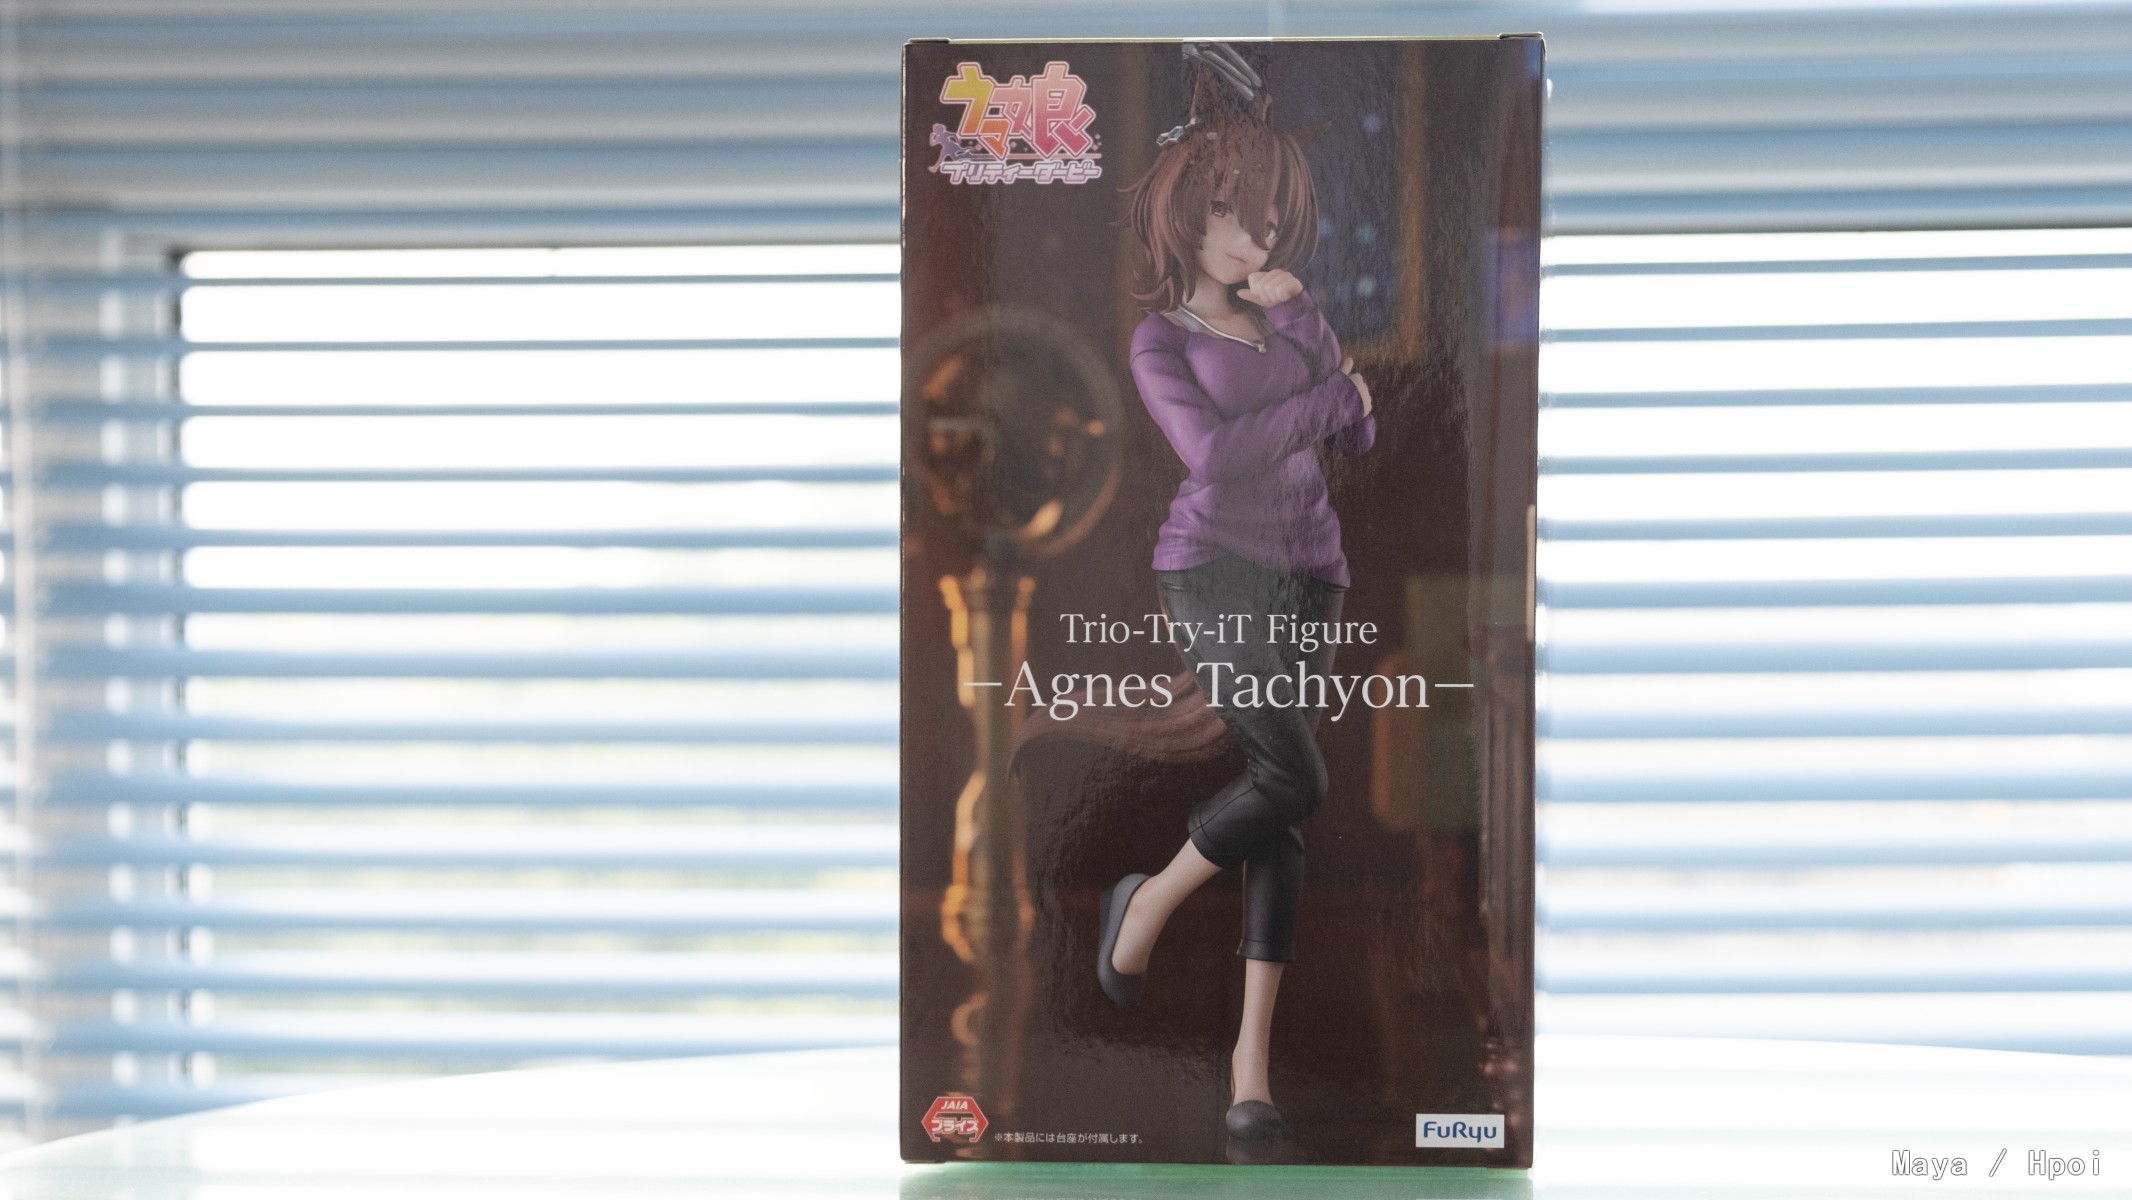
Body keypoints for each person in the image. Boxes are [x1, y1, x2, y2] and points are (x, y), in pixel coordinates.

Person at [1095, 58, 1376, 1144]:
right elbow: (1212, 456)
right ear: (1183, 208)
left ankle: (1248, 1068)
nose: (1250, 235)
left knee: (1280, 808)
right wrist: (1326, 397)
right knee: (1292, 777)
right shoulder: (1160, 339)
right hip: (1211, 566)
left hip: (1312, 571)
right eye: (1227, 209)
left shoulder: (1286, 318)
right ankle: (1149, 903)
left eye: (1264, 217)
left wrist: (1306, 328)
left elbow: (1358, 431)